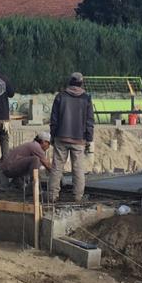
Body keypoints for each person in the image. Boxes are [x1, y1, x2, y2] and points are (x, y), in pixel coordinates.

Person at [48, 72, 94, 203]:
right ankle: (78, 197)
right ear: (81, 83)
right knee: (78, 169)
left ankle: (52, 196)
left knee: (57, 167)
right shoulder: (86, 98)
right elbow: (90, 121)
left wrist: (53, 135)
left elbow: (54, 120)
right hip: (79, 139)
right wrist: (89, 139)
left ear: (69, 82)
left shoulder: (60, 97)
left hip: (61, 137)